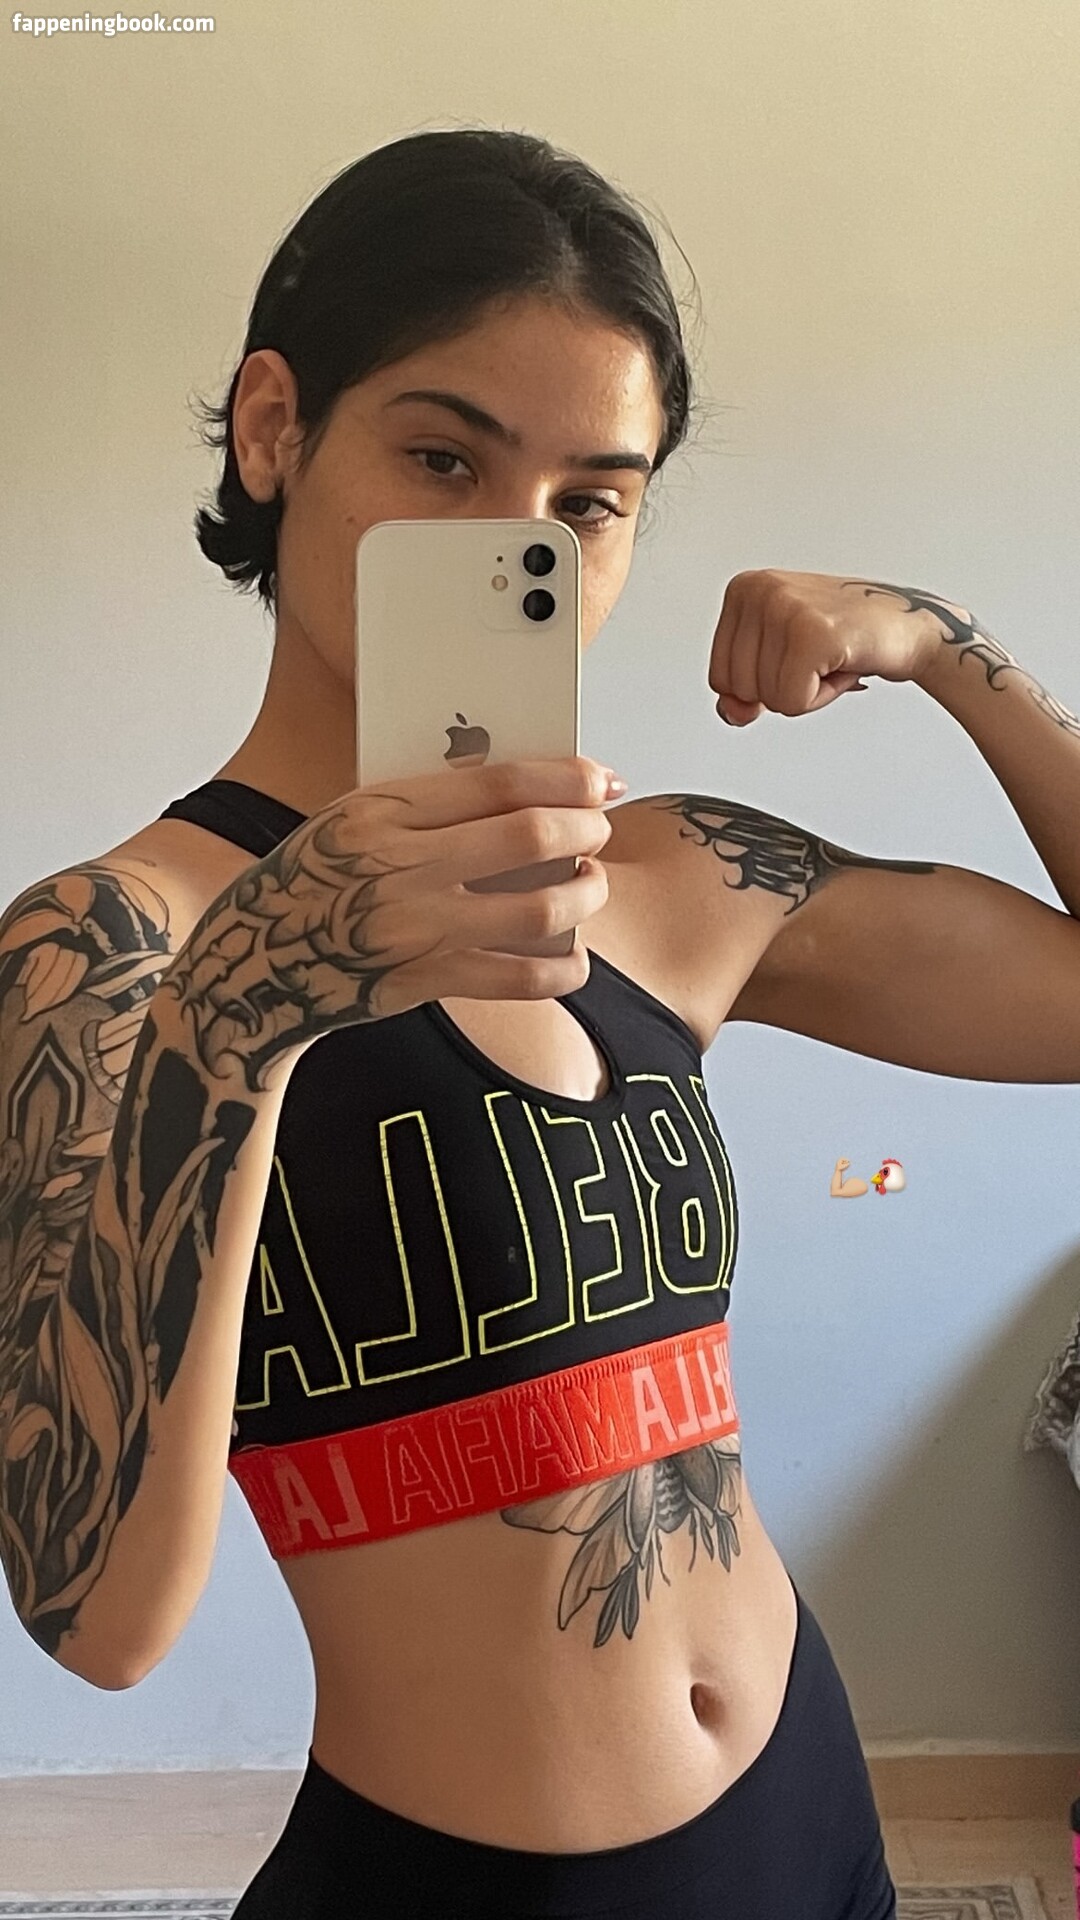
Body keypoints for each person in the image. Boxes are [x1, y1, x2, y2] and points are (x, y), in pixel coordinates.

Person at [3, 125, 1079, 1920]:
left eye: (591, 501)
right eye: (443, 458)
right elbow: (95, 1616)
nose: (519, 544)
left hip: (812, 1820)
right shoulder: (113, 946)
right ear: (274, 429)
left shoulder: (669, 875)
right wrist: (245, 1010)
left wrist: (943, 646)